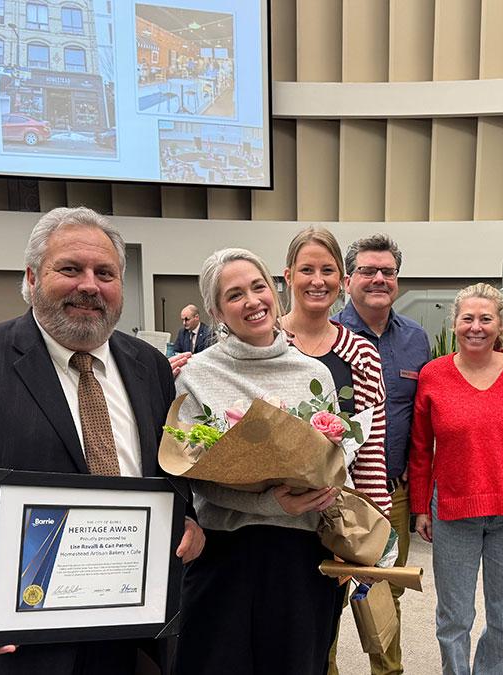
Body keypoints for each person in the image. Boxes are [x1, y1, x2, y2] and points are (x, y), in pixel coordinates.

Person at [0, 207, 204, 674]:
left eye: (105, 273)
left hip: (132, 638)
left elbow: (167, 472)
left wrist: (184, 518)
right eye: (69, 269)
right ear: (32, 277)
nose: (89, 285)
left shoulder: (149, 366)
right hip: (11, 647)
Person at [173, 248, 341, 675]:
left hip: (301, 558)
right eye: (234, 295)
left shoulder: (314, 374)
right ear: (216, 311)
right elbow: (193, 474)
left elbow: (337, 461)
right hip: (224, 555)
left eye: (258, 287)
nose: (252, 301)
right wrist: (270, 504)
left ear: (274, 290)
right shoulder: (197, 375)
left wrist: (332, 501)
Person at [409, 283, 503, 675]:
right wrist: (419, 508)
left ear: (501, 325)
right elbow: (419, 448)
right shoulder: (433, 375)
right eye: (468, 318)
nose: (476, 326)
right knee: (454, 617)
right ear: (455, 323)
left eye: (486, 318)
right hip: (452, 509)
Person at [278, 227, 389, 675]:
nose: (317, 280)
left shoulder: (360, 352)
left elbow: (373, 444)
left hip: (332, 517)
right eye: (307, 269)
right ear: (287, 276)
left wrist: (372, 534)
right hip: (270, 516)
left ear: (343, 280)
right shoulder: (261, 343)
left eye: (328, 270)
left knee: (321, 633)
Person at [334, 234, 430, 675]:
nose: (378, 279)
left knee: (386, 594)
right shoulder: (326, 336)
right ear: (348, 279)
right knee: (327, 596)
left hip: (393, 493)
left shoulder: (415, 339)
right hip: (332, 498)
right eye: (368, 271)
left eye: (387, 272)